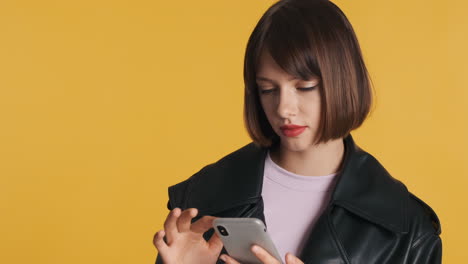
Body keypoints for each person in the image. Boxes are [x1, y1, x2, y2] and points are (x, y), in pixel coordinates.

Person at [153, 0, 442, 263]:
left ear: (342, 82)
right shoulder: (204, 195)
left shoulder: (407, 230)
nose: (283, 108)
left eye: (304, 87)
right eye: (268, 89)